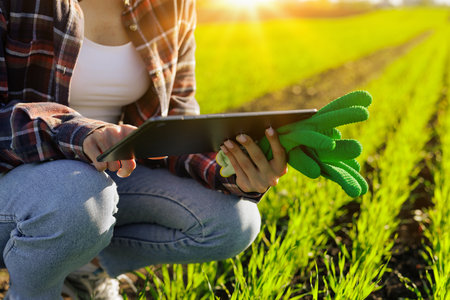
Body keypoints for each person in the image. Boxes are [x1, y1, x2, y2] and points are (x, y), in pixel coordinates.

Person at [0, 0, 288, 298]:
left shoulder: (172, 5)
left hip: (104, 179)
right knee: (78, 196)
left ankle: (82, 270)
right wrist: (77, 133)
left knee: (233, 222)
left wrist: (230, 171)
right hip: (15, 182)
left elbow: (174, 120)